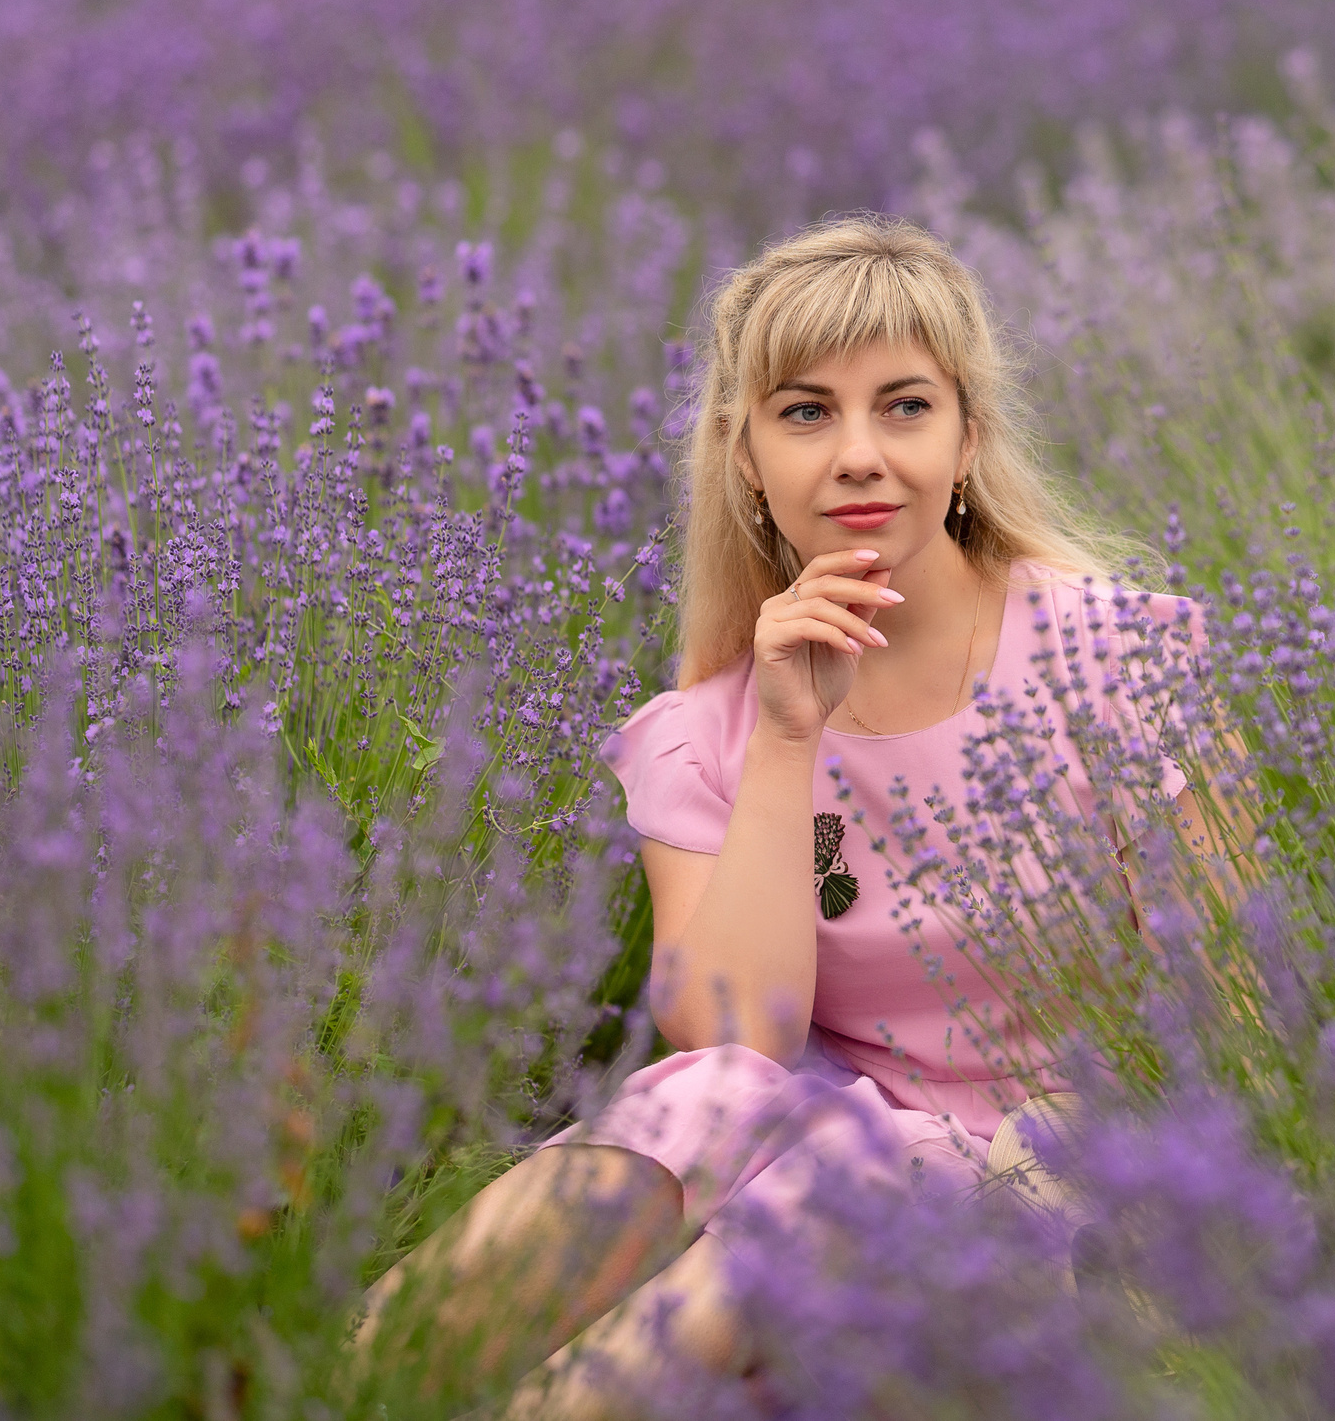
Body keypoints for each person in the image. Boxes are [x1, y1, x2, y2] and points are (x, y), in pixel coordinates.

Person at [353, 214, 1218, 1414]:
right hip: (827, 1137)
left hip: (1079, 1167)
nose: (857, 455)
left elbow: (1234, 1010)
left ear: (969, 437)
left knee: (844, 1187)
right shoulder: (704, 730)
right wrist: (787, 737)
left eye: (904, 406)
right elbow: (731, 1037)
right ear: (745, 457)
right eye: (805, 412)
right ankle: (355, 1382)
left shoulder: (1116, 658)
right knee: (697, 1102)